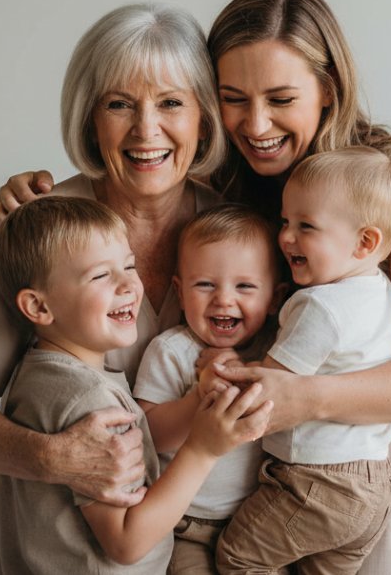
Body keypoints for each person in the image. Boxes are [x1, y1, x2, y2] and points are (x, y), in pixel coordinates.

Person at [0, 0, 391, 575]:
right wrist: (31, 199)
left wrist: (300, 397)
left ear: (328, 89)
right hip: (255, 478)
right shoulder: (225, 185)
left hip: (366, 460)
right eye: (233, 98)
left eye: (280, 97)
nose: (256, 122)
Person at [0, 2, 244, 573]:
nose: (146, 129)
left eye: (171, 102)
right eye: (119, 104)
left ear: (203, 117)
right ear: (89, 120)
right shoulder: (40, 226)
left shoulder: (238, 231)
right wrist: (53, 456)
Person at [0, 195, 269, 573]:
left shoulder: (39, 375)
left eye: (128, 266)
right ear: (39, 307)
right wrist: (203, 449)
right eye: (101, 275)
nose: (129, 285)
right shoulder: (90, 403)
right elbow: (126, 542)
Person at [216, 147, 391, 574]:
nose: (285, 237)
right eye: (285, 222)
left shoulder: (320, 307)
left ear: (365, 241)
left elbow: (269, 389)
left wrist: (221, 368)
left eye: (306, 226)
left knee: (237, 558)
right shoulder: (380, 292)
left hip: (317, 482)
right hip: (375, 482)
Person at [131, 204, 288, 574]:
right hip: (186, 523)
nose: (224, 299)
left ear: (276, 298)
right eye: (205, 284)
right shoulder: (172, 351)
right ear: (180, 291)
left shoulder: (277, 354)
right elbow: (147, 433)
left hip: (258, 518)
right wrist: (199, 399)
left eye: (245, 286)